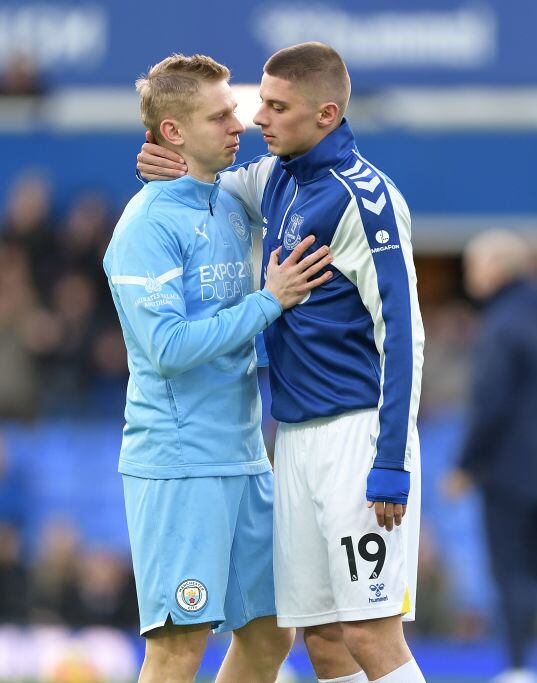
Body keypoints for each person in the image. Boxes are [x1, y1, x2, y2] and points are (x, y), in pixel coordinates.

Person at [138, 42, 426, 683]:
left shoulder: (365, 200)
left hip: (357, 435)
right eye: (258, 103)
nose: (256, 119)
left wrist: (391, 461)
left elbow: (403, 334)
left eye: (276, 107)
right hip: (292, 439)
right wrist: (166, 158)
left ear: (326, 114)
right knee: (323, 639)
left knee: (370, 632)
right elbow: (203, 178)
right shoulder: (274, 177)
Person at [106, 53, 333, 683]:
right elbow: (168, 348)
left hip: (245, 456)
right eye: (220, 116)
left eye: (235, 111)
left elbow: (301, 164)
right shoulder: (144, 227)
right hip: (181, 463)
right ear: (172, 132)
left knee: (269, 636)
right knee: (178, 647)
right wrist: (269, 300)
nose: (240, 125)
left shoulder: (230, 198)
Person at [444, 230, 537, 683]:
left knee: (511, 570)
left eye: (474, 264)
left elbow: (490, 404)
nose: (469, 274)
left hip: (508, 470)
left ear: (498, 268)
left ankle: (518, 667)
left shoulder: (502, 322)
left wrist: (465, 465)